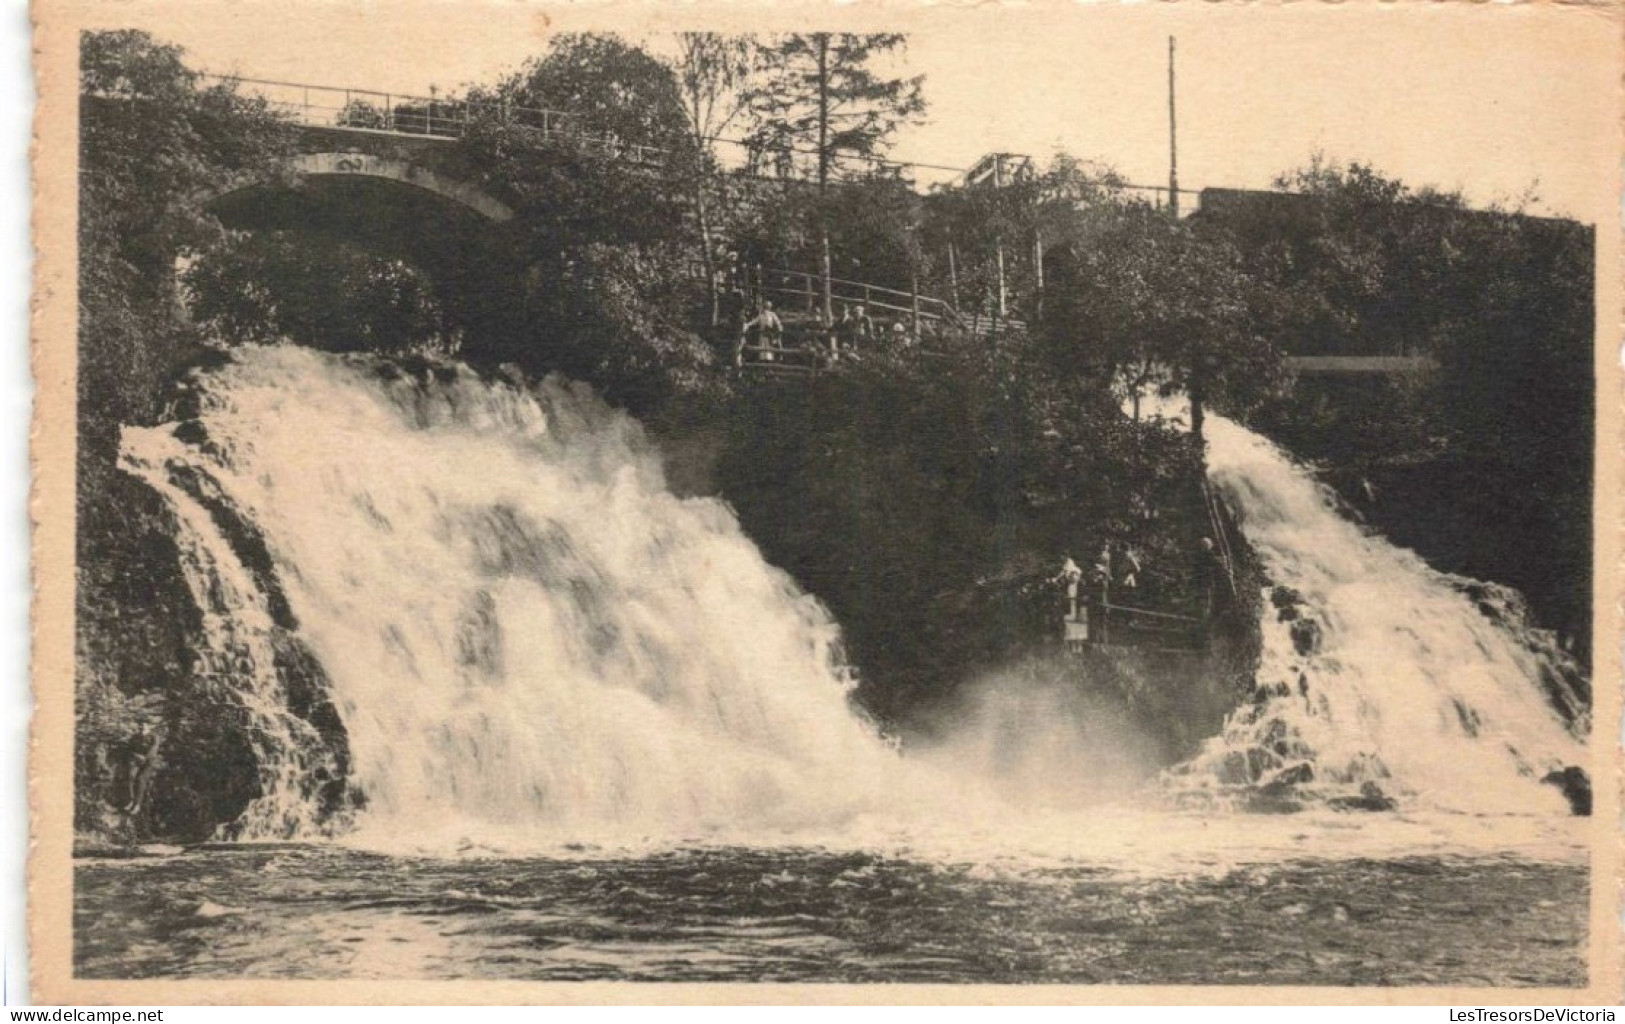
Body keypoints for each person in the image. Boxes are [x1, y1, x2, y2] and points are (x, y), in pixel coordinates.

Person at [1054, 554, 1084, 621]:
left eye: (1062, 556)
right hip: (1070, 581)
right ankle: (1072, 615)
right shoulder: (1065, 562)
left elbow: (1063, 572)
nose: (1061, 558)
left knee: (1074, 598)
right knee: (1070, 598)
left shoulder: (1069, 561)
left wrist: (1056, 578)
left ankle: (1076, 616)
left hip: (1072, 581)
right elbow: (1063, 572)